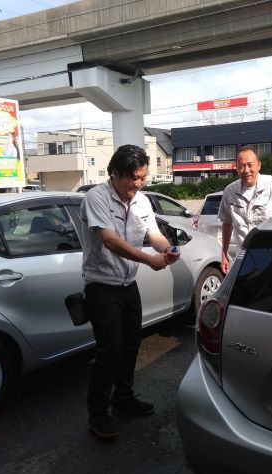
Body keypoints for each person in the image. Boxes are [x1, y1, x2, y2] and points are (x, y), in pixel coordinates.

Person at [80, 144, 180, 440]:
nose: (137, 185)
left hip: (127, 285)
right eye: (132, 178)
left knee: (130, 344)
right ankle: (97, 413)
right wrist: (150, 259)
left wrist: (168, 250)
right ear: (114, 174)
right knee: (109, 348)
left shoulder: (142, 201)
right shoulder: (96, 197)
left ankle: (123, 399)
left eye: (142, 178)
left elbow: (154, 235)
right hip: (101, 286)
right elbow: (109, 240)